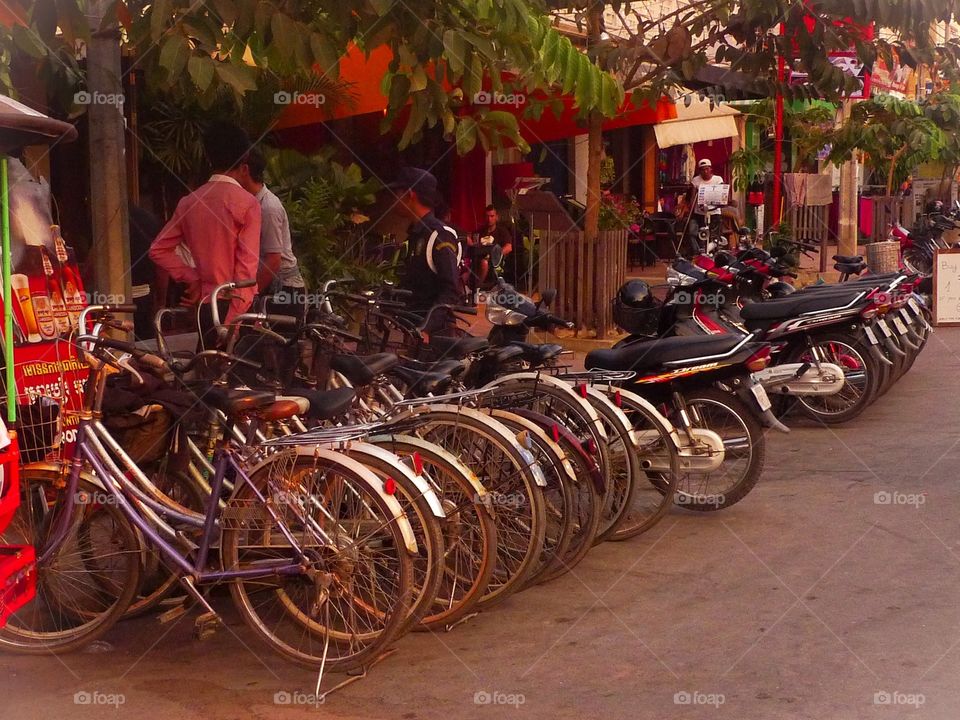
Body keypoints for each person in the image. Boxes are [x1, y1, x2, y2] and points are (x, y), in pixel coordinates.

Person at [149, 122, 261, 348]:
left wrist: (192, 277)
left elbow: (158, 249)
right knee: (241, 378)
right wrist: (232, 325)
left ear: (209, 158)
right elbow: (245, 273)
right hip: (237, 310)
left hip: (205, 307)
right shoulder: (248, 204)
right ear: (245, 157)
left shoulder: (189, 202)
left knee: (206, 372)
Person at [392, 168, 462, 337]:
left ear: (409, 195)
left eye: (396, 194)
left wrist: (426, 328)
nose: (393, 200)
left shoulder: (439, 235)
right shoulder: (416, 235)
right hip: (412, 330)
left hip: (434, 338)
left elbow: (451, 290)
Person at [239, 147, 307, 321]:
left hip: (284, 290)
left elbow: (273, 260)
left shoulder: (268, 208)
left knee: (277, 345)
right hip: (271, 287)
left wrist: (249, 296)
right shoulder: (250, 204)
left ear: (244, 170)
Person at [470, 204, 514, 291]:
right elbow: (473, 245)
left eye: (492, 216)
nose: (489, 219)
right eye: (487, 216)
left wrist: (497, 254)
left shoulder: (502, 231)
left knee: (484, 263)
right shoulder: (479, 232)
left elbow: (509, 247)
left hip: (494, 261)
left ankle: (475, 289)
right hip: (477, 258)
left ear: (497, 217)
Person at [687, 158, 725, 254]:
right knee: (693, 233)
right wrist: (689, 210)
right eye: (702, 169)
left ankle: (712, 254)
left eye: (707, 169)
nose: (705, 171)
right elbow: (692, 197)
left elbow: (722, 194)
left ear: (710, 169)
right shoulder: (696, 180)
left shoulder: (718, 179)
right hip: (698, 213)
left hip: (714, 213)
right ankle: (698, 253)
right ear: (699, 171)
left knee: (712, 236)